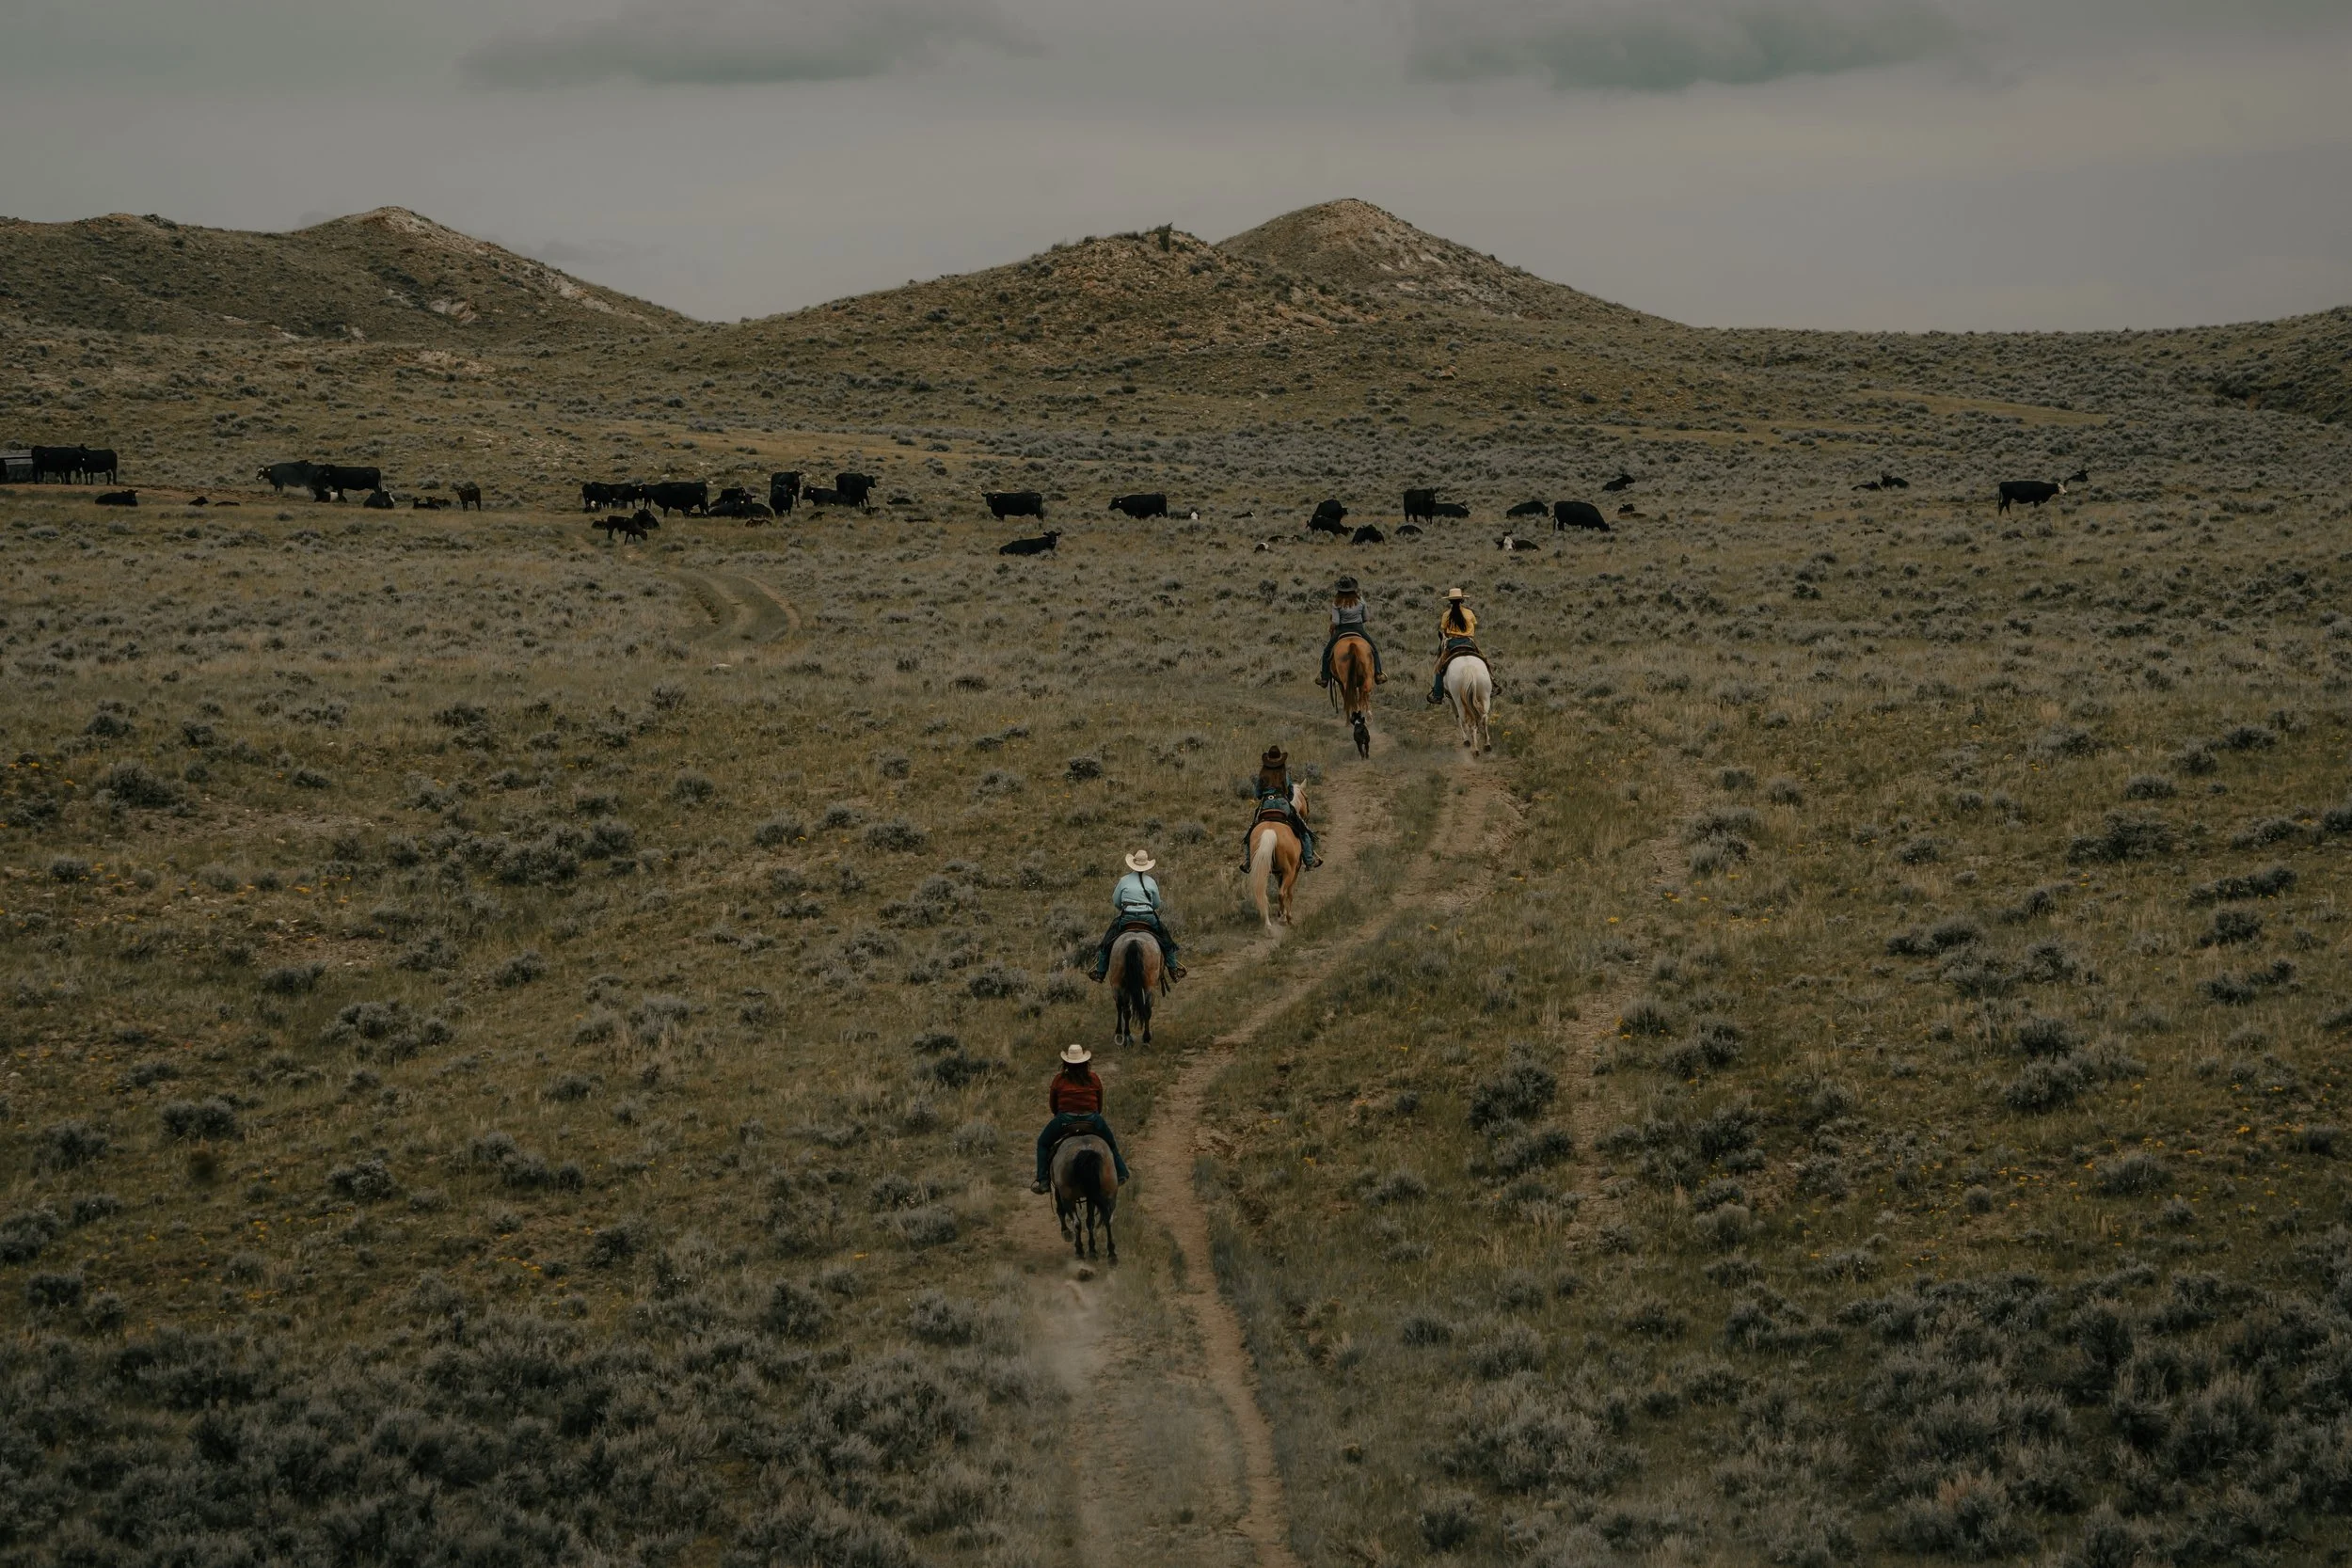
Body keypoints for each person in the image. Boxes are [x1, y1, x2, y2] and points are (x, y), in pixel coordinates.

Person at [1033, 1043, 1130, 1193]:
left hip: (1065, 1120)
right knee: (1110, 1143)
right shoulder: (1094, 1079)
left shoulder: (1059, 1080)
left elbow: (1053, 1106)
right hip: (1091, 1119)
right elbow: (1099, 1106)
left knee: (1043, 1143)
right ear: (1086, 1063)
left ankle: (1043, 1180)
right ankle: (1122, 1172)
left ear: (1066, 1063)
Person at [1088, 849, 1184, 982]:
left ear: (1133, 864)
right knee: (1167, 941)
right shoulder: (1151, 881)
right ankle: (1173, 970)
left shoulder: (1124, 880)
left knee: (1106, 942)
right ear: (1146, 865)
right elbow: (1156, 904)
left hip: (1128, 917)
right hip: (1148, 917)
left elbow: (1116, 901)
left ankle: (1100, 972)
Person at [1238, 743, 1319, 871]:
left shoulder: (1262, 775)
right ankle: (1309, 860)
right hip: (1282, 804)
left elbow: (1258, 794)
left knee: (1250, 832)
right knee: (1302, 830)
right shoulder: (1284, 774)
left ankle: (1248, 861)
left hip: (1266, 805)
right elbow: (1291, 793)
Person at [1317, 576, 1385, 689]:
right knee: (1374, 650)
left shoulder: (1337, 603)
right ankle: (1378, 674)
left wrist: (1332, 626)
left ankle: (1324, 678)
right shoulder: (1360, 600)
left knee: (1327, 653)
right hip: (1358, 629)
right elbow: (1366, 618)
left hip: (1342, 630)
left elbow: (1336, 622)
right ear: (1353, 589)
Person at [1427, 587, 1482, 705]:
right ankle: (1492, 683)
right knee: (1484, 661)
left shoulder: (1446, 614)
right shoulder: (1469, 613)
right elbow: (1474, 626)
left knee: (1440, 667)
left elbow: (1445, 631)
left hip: (1452, 643)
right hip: (1468, 642)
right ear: (1462, 600)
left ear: (1450, 602)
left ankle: (1437, 695)